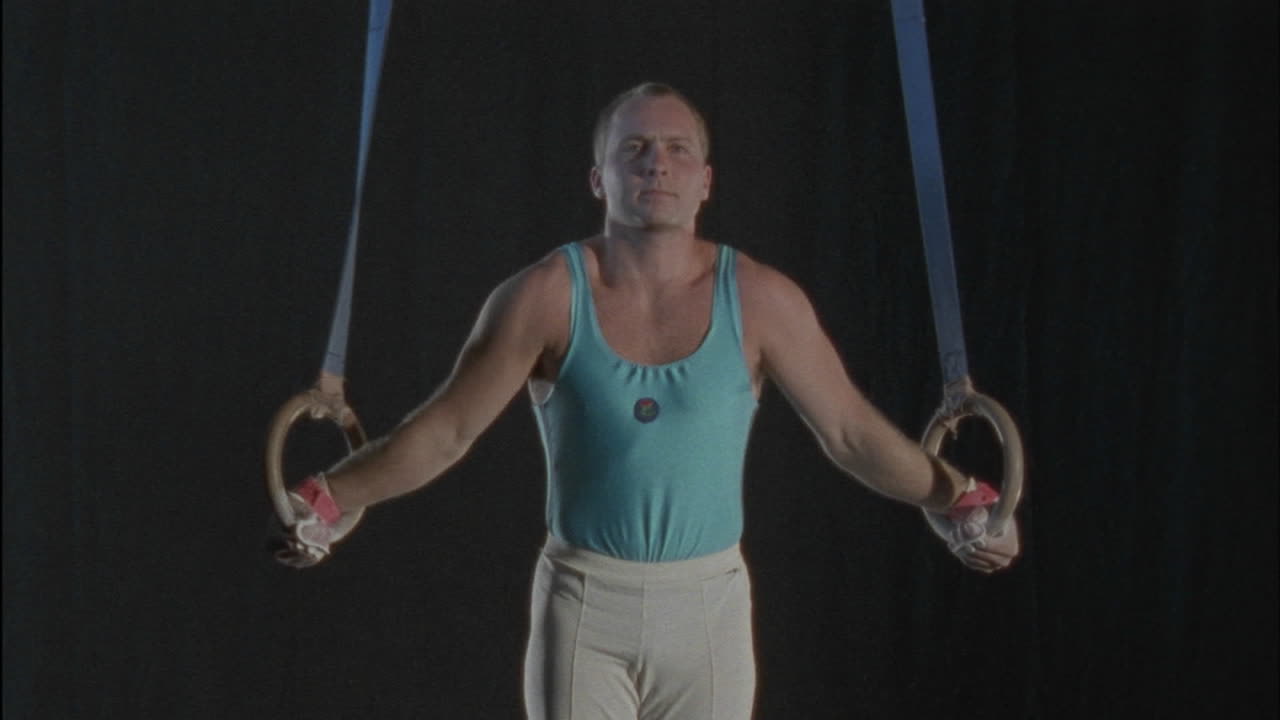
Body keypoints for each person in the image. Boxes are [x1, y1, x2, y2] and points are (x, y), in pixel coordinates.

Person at [274, 82, 1020, 720]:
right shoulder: (543, 297)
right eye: (632, 149)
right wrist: (326, 498)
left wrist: (965, 499)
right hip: (583, 600)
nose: (655, 163)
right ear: (598, 178)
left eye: (675, 149)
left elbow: (852, 434)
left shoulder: (760, 300)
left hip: (708, 609)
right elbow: (445, 431)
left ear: (705, 180)